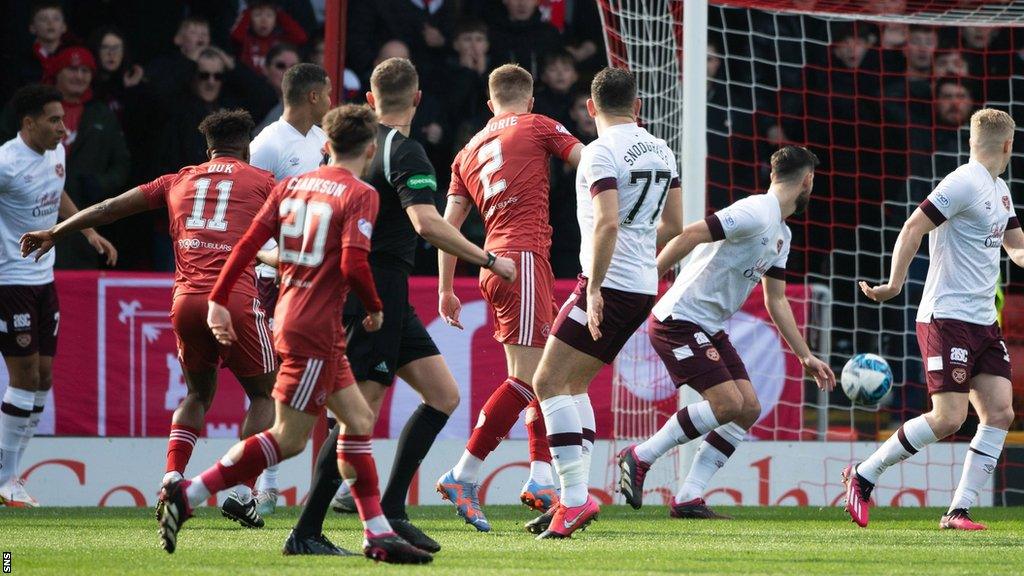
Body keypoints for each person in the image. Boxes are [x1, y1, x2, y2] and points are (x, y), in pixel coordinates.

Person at [157, 104, 432, 565]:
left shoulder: (290, 186)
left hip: (294, 316)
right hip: (315, 326)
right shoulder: (361, 193)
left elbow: (246, 246)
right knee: (290, 438)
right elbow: (352, 262)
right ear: (369, 149)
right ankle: (190, 494)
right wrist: (376, 307)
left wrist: (222, 299)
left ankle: (378, 534)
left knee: (358, 423)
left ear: (325, 146)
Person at [285, 57, 516, 555]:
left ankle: (392, 508)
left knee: (443, 395)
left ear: (370, 99)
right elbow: (427, 225)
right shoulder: (403, 151)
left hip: (380, 291)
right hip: (375, 293)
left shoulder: (342, 150)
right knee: (357, 417)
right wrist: (490, 260)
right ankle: (305, 531)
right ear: (417, 98)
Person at [20, 108, 278, 528]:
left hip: (186, 303)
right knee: (267, 396)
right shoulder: (263, 181)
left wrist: (56, 231)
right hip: (234, 299)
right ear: (247, 146)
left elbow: (108, 208)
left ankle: (171, 478)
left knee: (197, 395)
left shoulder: (178, 179)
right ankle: (240, 491)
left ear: (207, 147)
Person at [617, 146, 835, 519]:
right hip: (678, 319)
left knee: (748, 408)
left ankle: (688, 497)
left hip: (709, 327)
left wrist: (805, 355)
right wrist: (648, 276)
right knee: (728, 405)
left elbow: (776, 300)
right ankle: (640, 456)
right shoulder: (754, 211)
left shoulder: (781, 233)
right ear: (807, 181)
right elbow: (690, 235)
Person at [530, 67, 683, 539]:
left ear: (591, 107)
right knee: (573, 386)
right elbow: (674, 225)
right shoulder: (662, 149)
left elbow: (607, 223)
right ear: (637, 107)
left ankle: (574, 500)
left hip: (609, 282)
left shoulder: (599, 152)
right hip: (641, 284)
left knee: (547, 382)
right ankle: (570, 499)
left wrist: (593, 287)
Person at [850, 109, 1019, 531]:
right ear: (1008, 145)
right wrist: (893, 285)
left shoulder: (999, 190)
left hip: (982, 322)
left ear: (971, 140)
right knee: (948, 417)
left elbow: (1016, 246)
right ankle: (864, 474)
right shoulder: (962, 181)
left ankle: (957, 510)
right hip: (946, 318)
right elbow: (913, 227)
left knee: (1000, 413)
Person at [435, 63, 583, 531]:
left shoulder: (468, 150)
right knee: (528, 380)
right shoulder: (538, 125)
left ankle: (541, 477)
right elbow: (590, 160)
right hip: (523, 259)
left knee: (545, 374)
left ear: (489, 103)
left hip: (492, 263)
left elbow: (446, 226)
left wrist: (444, 288)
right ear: (531, 98)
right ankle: (463, 474)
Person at [0, 85, 115, 507]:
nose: (62, 129)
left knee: (44, 378)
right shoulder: (5, 164)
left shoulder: (56, 154)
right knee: (25, 377)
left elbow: (58, 192)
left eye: (63, 120)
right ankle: (6, 476)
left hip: (44, 280)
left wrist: (86, 229)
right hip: (9, 282)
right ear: (28, 123)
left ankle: (9, 471)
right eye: (54, 120)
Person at [245, 62, 332, 527]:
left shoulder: (321, 142)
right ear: (313, 96)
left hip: (318, 277)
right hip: (277, 277)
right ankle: (267, 483)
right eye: (329, 93)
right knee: (275, 375)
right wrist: (277, 259)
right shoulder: (267, 144)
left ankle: (332, 481)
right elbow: (251, 217)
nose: (333, 99)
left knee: (325, 369)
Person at [230, 0, 307, 74]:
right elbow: (235, 36)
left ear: (276, 19)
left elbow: (301, 38)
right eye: (257, 15)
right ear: (249, 18)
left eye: (269, 15)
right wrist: (248, 10)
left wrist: (279, 13)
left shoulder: (280, 40)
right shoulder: (246, 39)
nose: (264, 21)